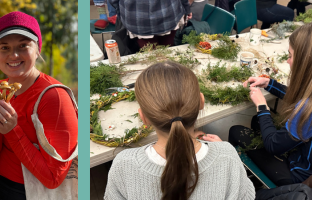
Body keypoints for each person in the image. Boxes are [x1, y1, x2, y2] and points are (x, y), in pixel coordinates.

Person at [229, 21, 312, 186]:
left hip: (304, 177)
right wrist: (269, 84)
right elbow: (302, 100)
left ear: (306, 61)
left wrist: (262, 106)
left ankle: (247, 186)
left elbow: (273, 145)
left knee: (236, 131)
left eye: (290, 55)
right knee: (258, 121)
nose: (287, 61)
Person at [105, 62, 255, 200]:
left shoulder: (123, 164)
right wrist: (223, 152)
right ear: (201, 102)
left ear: (143, 117)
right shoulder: (227, 155)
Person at [0, 11, 78, 199]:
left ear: (37, 49)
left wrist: (11, 129)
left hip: (36, 193)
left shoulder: (54, 97)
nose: (13, 55)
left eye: (23, 45)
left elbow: (53, 178)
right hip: (2, 187)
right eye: (4, 47)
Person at [110, 0, 192, 48]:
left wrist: (120, 11)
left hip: (138, 18)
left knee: (151, 57)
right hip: (169, 13)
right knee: (168, 51)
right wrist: (186, 7)